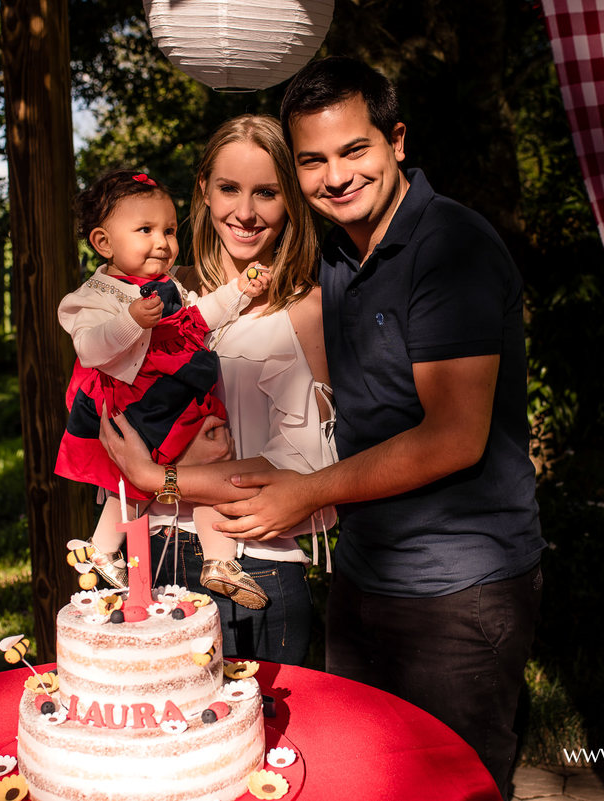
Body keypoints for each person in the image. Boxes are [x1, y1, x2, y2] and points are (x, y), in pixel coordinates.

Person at [206, 57, 547, 794]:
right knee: (365, 779)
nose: (335, 176)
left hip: (459, 586)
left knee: (451, 785)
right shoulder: (336, 248)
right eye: (313, 161)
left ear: (396, 141)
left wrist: (304, 492)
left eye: (353, 150)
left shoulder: (450, 246)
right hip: (367, 577)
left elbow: (455, 434)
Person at [99, 114, 337, 665]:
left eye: (267, 193)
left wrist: (159, 478)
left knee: (254, 746)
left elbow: (306, 471)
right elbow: (108, 416)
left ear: (292, 201)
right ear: (203, 189)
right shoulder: (157, 296)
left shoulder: (306, 308)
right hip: (139, 554)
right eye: (230, 188)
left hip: (256, 562)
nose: (245, 212)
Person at [54, 168, 272, 609]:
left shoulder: (169, 286)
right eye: (146, 230)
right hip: (139, 402)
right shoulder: (93, 295)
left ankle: (209, 560)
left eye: (170, 230)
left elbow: (199, 317)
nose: (163, 241)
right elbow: (90, 346)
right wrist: (129, 320)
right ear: (103, 243)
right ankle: (113, 548)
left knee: (209, 461)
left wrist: (238, 293)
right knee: (170, 469)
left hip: (177, 395)